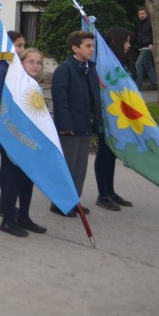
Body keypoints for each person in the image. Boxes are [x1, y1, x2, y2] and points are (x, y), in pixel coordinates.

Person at [0, 47, 48, 237]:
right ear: (21, 64)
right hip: (15, 140)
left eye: (39, 62)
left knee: (27, 180)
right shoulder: (14, 84)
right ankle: (7, 221)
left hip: (30, 141)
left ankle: (24, 216)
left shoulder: (35, 85)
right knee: (13, 179)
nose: (36, 65)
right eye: (31, 62)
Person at [50, 30, 100, 217]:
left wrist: (96, 121)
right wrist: (65, 125)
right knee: (68, 167)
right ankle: (59, 203)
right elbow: (60, 99)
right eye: (88, 46)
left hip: (85, 125)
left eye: (92, 46)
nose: (91, 49)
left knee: (80, 167)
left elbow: (94, 97)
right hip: (69, 127)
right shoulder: (65, 69)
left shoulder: (90, 68)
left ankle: (73, 201)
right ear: (75, 48)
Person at [93, 27, 135, 211]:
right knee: (104, 153)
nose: (128, 46)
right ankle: (102, 194)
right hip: (107, 115)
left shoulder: (122, 62)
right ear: (115, 42)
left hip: (120, 115)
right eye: (126, 41)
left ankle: (110, 191)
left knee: (112, 154)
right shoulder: (105, 63)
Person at [0, 31, 26, 216]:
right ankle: (5, 202)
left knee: (11, 165)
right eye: (18, 46)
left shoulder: (14, 68)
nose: (22, 50)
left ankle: (5, 201)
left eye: (23, 46)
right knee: (8, 165)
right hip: (4, 125)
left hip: (13, 125)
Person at [135, 7, 157, 90]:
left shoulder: (150, 23)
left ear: (147, 14)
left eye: (143, 13)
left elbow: (153, 33)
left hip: (147, 47)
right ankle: (155, 83)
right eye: (140, 14)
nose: (141, 15)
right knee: (149, 66)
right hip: (141, 47)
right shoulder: (139, 24)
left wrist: (151, 43)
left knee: (138, 63)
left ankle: (138, 84)